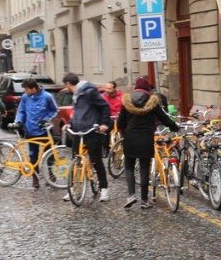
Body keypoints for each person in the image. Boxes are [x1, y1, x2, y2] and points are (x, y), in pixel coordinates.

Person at [118, 76, 179, 209]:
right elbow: (164, 118)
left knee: (129, 166)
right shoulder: (152, 102)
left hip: (130, 138)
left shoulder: (127, 102)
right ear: (147, 88)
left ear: (135, 87)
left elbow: (120, 122)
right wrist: (175, 127)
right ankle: (144, 200)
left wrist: (124, 133)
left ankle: (131, 195)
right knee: (144, 168)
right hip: (146, 138)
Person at [62, 73, 112, 202]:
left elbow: (104, 106)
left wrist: (104, 124)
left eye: (66, 86)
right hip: (78, 131)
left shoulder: (89, 92)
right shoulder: (76, 95)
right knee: (75, 160)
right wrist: (70, 124)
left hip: (91, 131)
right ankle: (73, 189)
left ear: (68, 84)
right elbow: (77, 113)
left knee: (96, 161)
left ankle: (104, 189)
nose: (66, 88)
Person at [12, 77, 59, 189]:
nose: (25, 91)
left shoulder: (47, 96)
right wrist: (19, 121)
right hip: (30, 130)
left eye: (27, 89)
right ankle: (35, 177)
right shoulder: (25, 97)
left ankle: (51, 174)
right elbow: (21, 111)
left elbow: (55, 110)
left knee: (49, 155)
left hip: (45, 131)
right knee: (33, 156)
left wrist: (46, 119)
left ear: (34, 88)